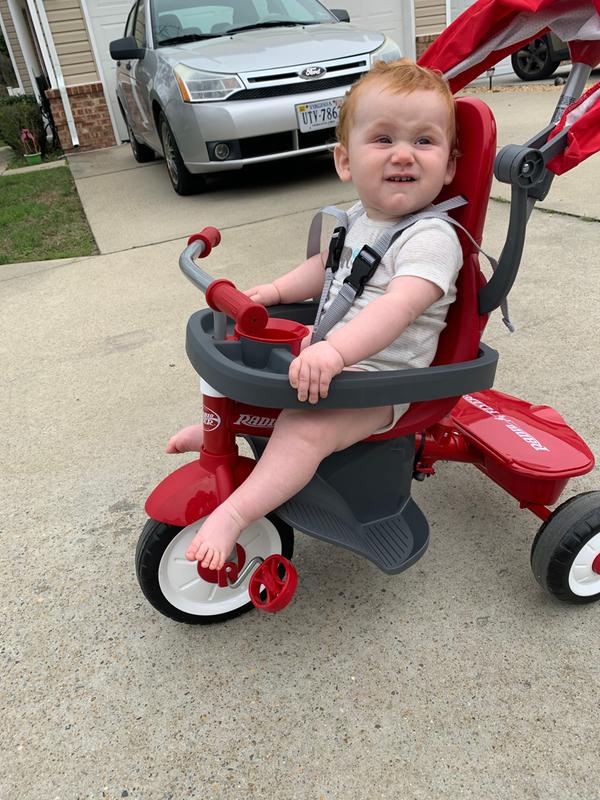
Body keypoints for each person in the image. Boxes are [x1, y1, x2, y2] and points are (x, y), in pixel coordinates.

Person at [167, 58, 462, 571]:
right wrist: (273, 292)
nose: (403, 154)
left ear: (450, 166)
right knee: (253, 351)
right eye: (384, 138)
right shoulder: (355, 219)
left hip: (383, 381)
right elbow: (323, 268)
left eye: (424, 141)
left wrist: (336, 350)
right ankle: (226, 428)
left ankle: (235, 513)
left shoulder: (431, 238)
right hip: (337, 356)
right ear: (345, 162)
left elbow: (400, 305)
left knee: (306, 428)